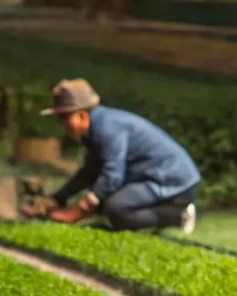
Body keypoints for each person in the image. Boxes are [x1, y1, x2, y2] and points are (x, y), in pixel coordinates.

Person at [23, 79, 201, 233]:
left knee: (117, 209)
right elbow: (89, 172)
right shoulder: (96, 128)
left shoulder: (106, 128)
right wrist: (57, 199)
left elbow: (112, 175)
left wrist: (78, 211)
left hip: (172, 180)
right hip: (148, 176)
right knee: (102, 198)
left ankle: (178, 215)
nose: (61, 124)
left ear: (82, 116)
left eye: (64, 117)